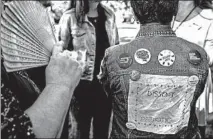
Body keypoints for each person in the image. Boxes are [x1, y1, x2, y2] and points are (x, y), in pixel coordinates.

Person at [98, 0, 209, 138]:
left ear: (134, 13)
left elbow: (107, 94)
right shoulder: (198, 55)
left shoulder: (113, 56)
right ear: (174, 11)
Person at [59, 0, 119, 138]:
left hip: (105, 85)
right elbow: (60, 51)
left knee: (103, 131)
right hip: (80, 86)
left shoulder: (109, 14)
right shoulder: (70, 17)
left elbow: (116, 46)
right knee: (80, 132)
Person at [171, 0, 213, 138]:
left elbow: (210, 56)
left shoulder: (208, 17)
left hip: (194, 86)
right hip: (164, 86)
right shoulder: (162, 12)